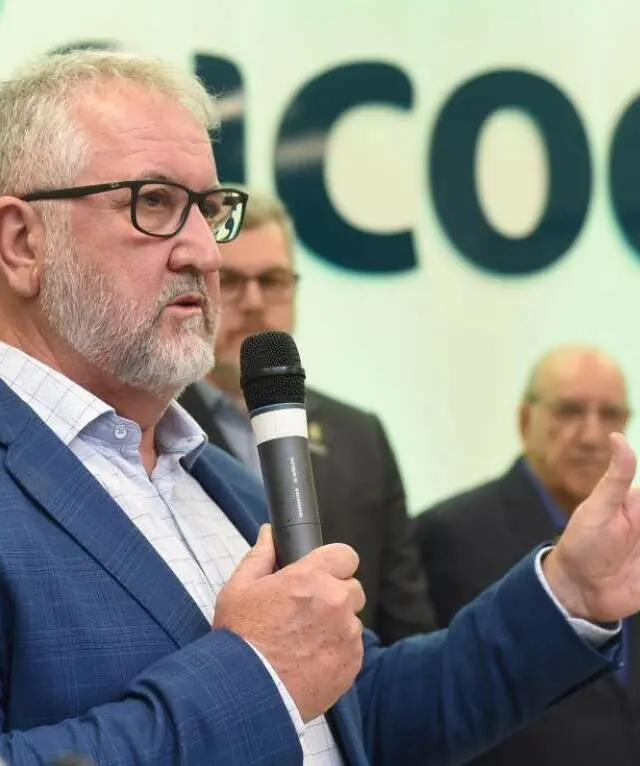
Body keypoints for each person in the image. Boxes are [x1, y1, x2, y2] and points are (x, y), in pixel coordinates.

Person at [0, 49, 638, 766]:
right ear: (23, 242)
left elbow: (364, 714)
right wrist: (253, 676)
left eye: (209, 211)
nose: (205, 253)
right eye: (154, 203)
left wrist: (569, 593)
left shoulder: (217, 478)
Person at [178, 187, 435, 644]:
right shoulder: (159, 428)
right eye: (231, 281)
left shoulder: (360, 436)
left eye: (272, 280)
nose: (254, 302)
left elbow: (405, 621)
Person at [413, 345, 640, 765]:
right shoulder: (449, 534)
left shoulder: (633, 533)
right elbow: (433, 698)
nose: (591, 436)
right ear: (525, 420)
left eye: (610, 415)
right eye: (569, 411)